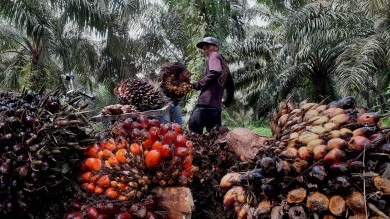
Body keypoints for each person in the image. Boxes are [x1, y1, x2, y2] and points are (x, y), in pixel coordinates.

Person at [189, 36, 235, 134]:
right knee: (213, 139)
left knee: (193, 134)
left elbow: (215, 71)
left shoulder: (214, 55)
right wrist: (227, 102)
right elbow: (231, 87)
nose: (206, 51)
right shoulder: (225, 66)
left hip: (205, 104)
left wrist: (197, 84)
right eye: (204, 49)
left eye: (208, 47)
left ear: (216, 47)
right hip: (216, 108)